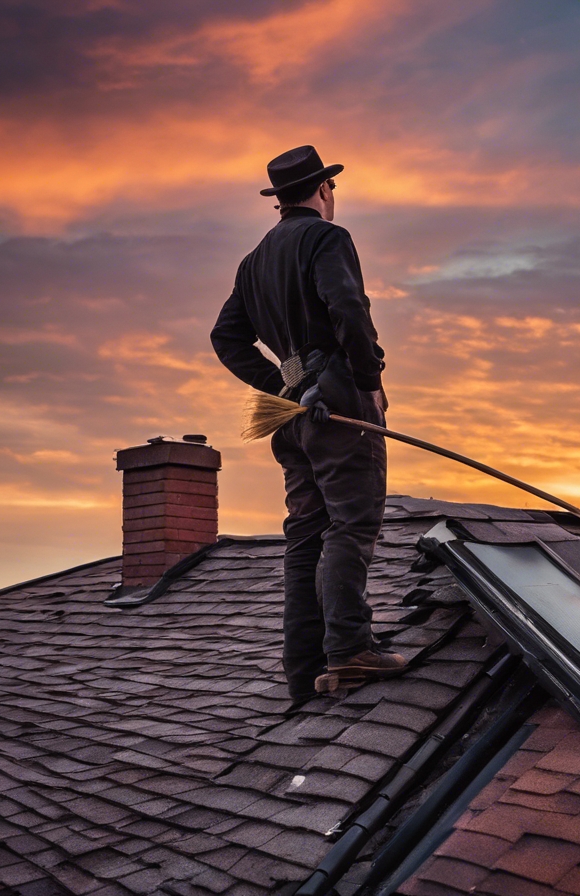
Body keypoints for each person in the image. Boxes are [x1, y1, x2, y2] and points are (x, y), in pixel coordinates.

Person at [211, 145, 406, 706]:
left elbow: (226, 338)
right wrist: (367, 379)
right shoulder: (327, 238)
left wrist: (283, 385)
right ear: (324, 190)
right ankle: (348, 648)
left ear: (280, 199)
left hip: (293, 414)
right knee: (352, 522)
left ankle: (303, 667)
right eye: (332, 190)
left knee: (304, 533)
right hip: (339, 402)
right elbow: (348, 308)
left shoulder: (252, 262)